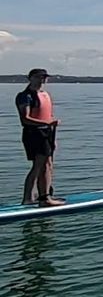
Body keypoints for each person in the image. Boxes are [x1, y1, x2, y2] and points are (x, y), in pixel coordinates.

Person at [15, 68, 65, 206]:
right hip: (34, 134)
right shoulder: (25, 96)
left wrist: (52, 135)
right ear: (30, 78)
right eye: (38, 77)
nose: (42, 80)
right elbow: (25, 119)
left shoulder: (44, 94)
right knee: (39, 166)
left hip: (47, 133)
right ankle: (38, 198)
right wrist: (48, 123)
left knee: (48, 165)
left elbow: (47, 116)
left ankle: (40, 195)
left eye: (44, 77)